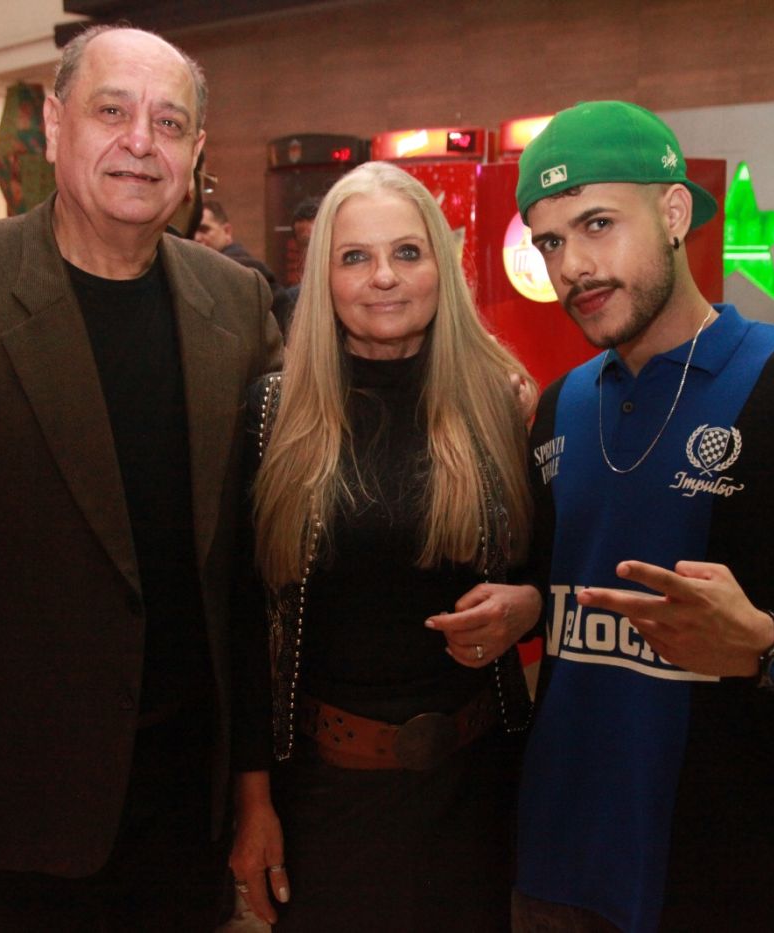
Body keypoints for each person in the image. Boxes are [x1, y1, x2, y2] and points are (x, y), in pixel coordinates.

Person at [0, 24, 281, 931]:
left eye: (168, 123)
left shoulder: (235, 300)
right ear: (55, 120)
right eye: (112, 111)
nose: (140, 142)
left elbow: (264, 527)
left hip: (186, 787)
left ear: (195, 150)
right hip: (22, 790)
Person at [510, 101, 774, 932]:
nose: (574, 266)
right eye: (550, 242)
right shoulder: (561, 407)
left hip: (731, 879)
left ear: (673, 212)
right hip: (554, 861)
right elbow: (549, 588)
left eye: (598, 224)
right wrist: (513, 603)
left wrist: (765, 646)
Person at [228, 161, 540, 932]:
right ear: (324, 278)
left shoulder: (498, 402)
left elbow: (546, 566)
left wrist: (528, 603)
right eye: (355, 257)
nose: (384, 277)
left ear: (441, 265)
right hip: (325, 799)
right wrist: (253, 801)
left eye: (407, 251)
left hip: (476, 788)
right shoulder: (273, 414)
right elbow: (239, 623)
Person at [195, 199, 291, 334]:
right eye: (192, 231)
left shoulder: (247, 269)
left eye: (204, 229)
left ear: (227, 231)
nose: (196, 237)